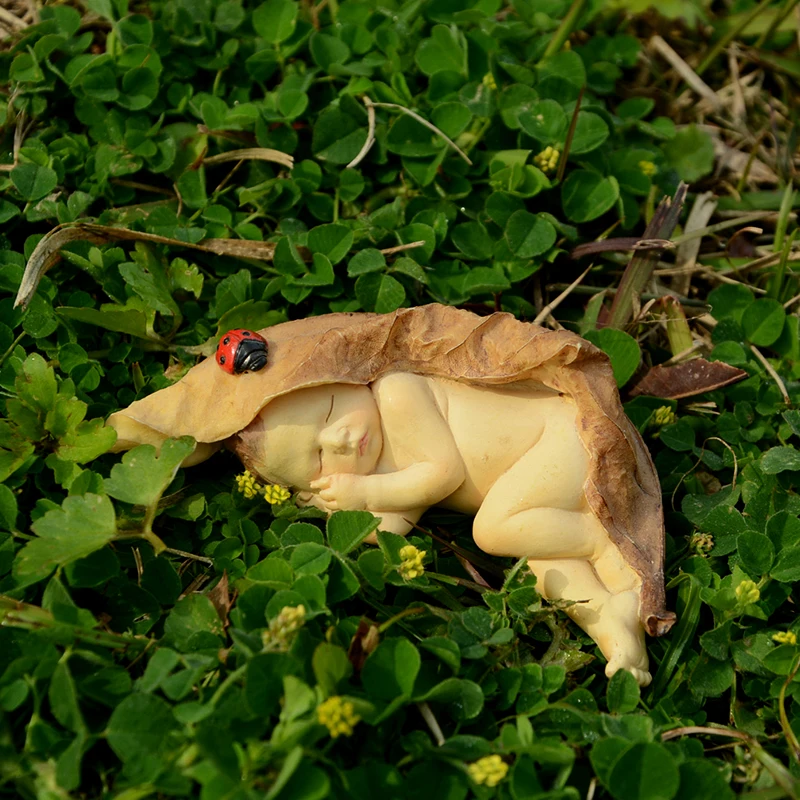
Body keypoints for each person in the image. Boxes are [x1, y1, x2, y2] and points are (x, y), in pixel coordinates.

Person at [233, 373, 651, 684]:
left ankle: (601, 541)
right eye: (319, 460)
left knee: (493, 530)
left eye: (329, 409)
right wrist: (336, 506)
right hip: (533, 487)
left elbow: (442, 475)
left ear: (344, 380)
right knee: (541, 561)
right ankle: (609, 620)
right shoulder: (381, 464)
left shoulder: (397, 393)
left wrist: (364, 490)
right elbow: (392, 528)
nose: (339, 438)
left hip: (560, 437)